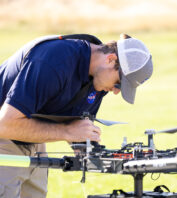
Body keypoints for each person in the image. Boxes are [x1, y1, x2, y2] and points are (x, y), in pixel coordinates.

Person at [0, 33, 153, 198]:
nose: (116, 91)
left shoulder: (98, 79)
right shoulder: (54, 61)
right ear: (110, 59)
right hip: (7, 132)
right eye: (118, 84)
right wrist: (67, 132)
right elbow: (5, 125)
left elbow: (77, 125)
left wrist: (89, 147)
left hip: (31, 135)